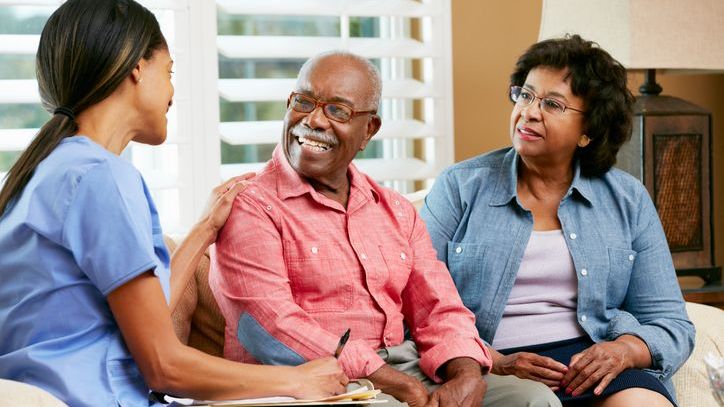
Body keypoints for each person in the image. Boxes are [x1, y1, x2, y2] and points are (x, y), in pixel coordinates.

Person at [0, 1, 347, 406]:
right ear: (136, 68)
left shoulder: (38, 173)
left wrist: (203, 230)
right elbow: (163, 365)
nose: (172, 91)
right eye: (169, 72)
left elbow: (146, 323)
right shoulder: (101, 177)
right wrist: (295, 380)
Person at [210, 50, 561, 407]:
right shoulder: (251, 205)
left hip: (404, 366)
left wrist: (467, 373)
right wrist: (398, 386)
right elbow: (271, 328)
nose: (314, 120)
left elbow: (439, 307)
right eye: (304, 102)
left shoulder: (393, 210)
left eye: (338, 110)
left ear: (369, 130)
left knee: (532, 399)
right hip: (311, 381)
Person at [420, 34, 695, 406]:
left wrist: (625, 351)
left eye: (552, 104)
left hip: (596, 364)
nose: (529, 112)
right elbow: (416, 305)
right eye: (526, 95)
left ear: (588, 131)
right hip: (491, 364)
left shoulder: (627, 199)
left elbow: (671, 323)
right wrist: (492, 361)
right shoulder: (459, 187)